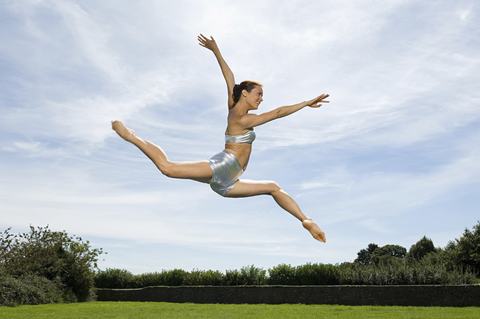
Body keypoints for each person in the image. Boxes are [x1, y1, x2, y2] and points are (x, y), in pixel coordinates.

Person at [112, 34, 329, 242]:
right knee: (168, 168)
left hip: (230, 182)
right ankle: (131, 136)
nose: (261, 99)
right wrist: (306, 102)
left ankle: (305, 220)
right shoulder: (240, 119)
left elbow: (229, 78)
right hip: (225, 165)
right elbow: (278, 113)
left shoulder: (234, 106)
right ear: (245, 93)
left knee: (273, 187)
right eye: (258, 94)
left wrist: (216, 51)